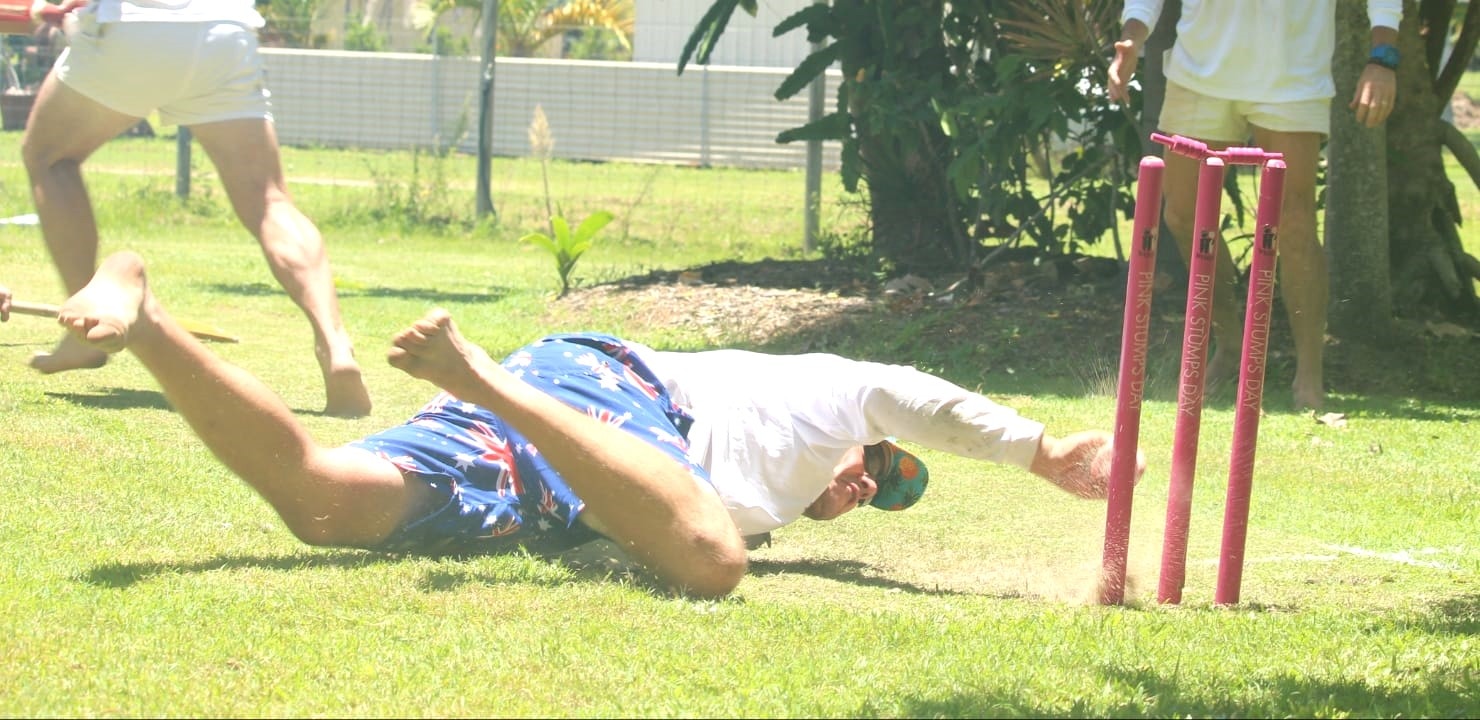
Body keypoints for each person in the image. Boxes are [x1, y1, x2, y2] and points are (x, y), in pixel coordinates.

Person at [51, 251, 1144, 598]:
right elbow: (904, 392)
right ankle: (481, 381)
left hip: (558, 468)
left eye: (886, 500)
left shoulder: (782, 499)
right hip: (603, 386)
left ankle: (146, 319)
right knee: (709, 564)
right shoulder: (819, 402)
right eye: (887, 471)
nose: (872, 486)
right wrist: (1034, 452)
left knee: (323, 505)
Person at [20, 0, 372, 417]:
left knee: (49, 157)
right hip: (224, 31)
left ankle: (86, 328)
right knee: (269, 199)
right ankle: (334, 343)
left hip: (134, 27)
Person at [1108, 0, 1402, 411]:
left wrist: (1383, 57)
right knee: (1182, 214)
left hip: (1292, 76)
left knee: (1295, 223)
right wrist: (1133, 37)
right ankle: (1230, 345)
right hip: (1198, 72)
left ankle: (1310, 378)